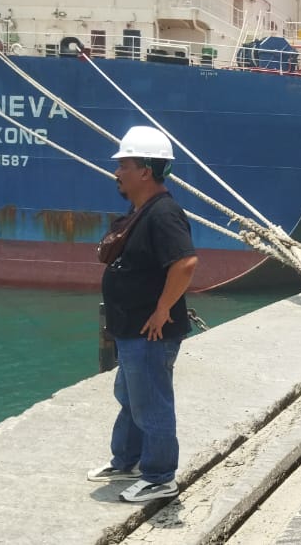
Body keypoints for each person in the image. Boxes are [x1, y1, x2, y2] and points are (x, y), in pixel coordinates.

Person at [87, 126, 199, 503]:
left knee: (150, 403)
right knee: (131, 396)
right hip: (132, 329)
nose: (117, 172)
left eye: (124, 165)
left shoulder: (163, 214)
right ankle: (127, 461)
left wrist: (162, 309)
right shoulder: (142, 210)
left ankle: (160, 477)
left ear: (145, 172)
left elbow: (185, 263)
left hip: (150, 333)